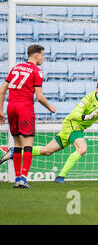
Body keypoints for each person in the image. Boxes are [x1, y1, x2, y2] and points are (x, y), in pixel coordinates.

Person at [1, 78, 98, 183]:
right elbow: (75, 114)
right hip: (72, 124)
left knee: (47, 150)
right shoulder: (88, 99)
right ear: (97, 90)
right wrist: (86, 117)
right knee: (82, 148)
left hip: (77, 127)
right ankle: (60, 177)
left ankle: (15, 152)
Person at [0, 44, 56, 188]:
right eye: (42, 55)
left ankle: (17, 178)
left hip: (11, 107)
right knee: (28, 145)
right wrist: (51, 108)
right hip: (25, 108)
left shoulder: (15, 68)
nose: (43, 58)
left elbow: (2, 90)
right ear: (36, 55)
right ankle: (23, 178)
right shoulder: (37, 71)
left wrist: (0, 111)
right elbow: (40, 96)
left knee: (17, 144)